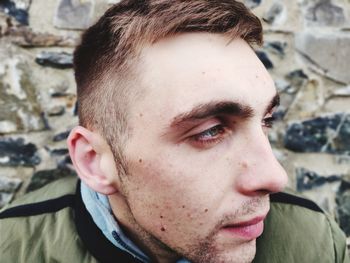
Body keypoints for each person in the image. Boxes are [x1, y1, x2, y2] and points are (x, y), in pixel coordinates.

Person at [0, 0, 349, 262]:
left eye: (265, 120)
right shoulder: (13, 248)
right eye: (210, 131)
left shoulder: (313, 243)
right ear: (94, 161)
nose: (275, 177)